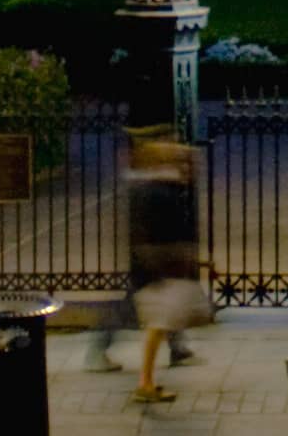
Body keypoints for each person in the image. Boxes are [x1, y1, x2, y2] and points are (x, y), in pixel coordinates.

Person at [85, 133, 204, 396]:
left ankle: (174, 352)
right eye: (184, 162)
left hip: (156, 270)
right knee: (147, 317)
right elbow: (153, 232)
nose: (189, 167)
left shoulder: (165, 189)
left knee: (158, 316)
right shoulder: (157, 191)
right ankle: (144, 379)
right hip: (154, 271)